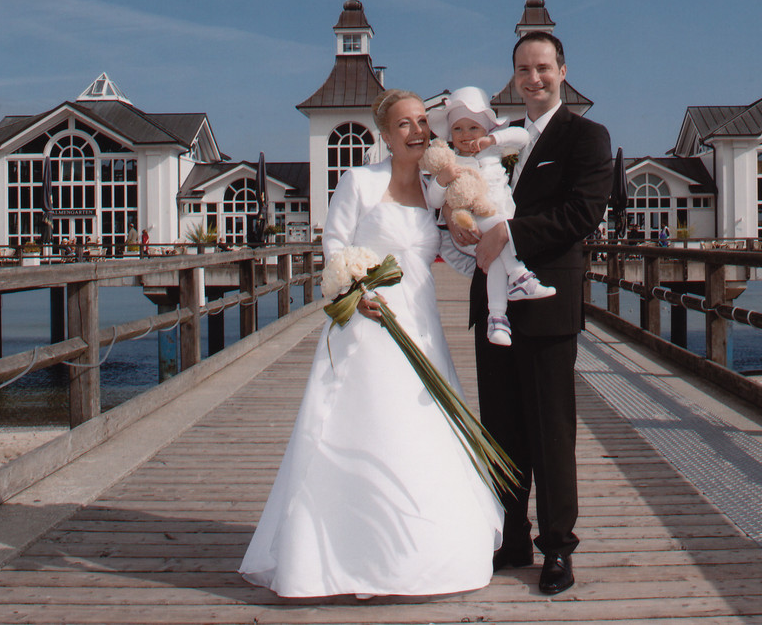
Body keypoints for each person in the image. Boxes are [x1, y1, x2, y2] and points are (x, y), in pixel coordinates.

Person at [239, 89, 502, 599]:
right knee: (366, 427)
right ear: (384, 134)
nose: (417, 131)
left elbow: (462, 254)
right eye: (404, 124)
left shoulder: (433, 193)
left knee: (424, 429)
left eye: (424, 121)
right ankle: (343, 556)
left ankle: (422, 554)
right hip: (368, 323)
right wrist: (354, 291)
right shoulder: (359, 182)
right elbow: (335, 247)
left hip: (420, 328)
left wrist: (500, 244)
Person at [447, 31, 612, 595]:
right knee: (502, 429)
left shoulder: (585, 137)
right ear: (514, 76)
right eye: (523, 69)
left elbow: (580, 214)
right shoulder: (496, 140)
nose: (533, 78)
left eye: (543, 67)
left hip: (546, 303)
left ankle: (558, 548)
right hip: (492, 306)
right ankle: (511, 536)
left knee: (550, 432)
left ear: (562, 70)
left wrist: (506, 236)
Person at [426, 86, 556, 346]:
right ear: (450, 134)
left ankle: (497, 319)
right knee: (497, 234)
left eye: (474, 128)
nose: (466, 135)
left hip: (502, 225)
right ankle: (519, 275)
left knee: (497, 258)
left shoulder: (494, 151)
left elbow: (522, 137)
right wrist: (442, 180)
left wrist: (492, 141)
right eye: (458, 129)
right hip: (472, 226)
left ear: (486, 129)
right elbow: (434, 200)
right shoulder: (450, 162)